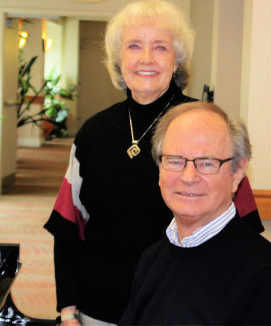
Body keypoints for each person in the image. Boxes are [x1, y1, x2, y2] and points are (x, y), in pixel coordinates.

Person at [44, 1, 264, 325]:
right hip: (98, 310)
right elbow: (67, 228)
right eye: (134, 46)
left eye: (160, 47)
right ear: (119, 59)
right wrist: (67, 310)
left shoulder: (208, 128)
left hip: (186, 309)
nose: (146, 58)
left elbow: (244, 233)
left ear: (178, 60)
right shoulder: (92, 133)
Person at [120, 101, 271, 325]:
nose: (189, 177)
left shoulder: (263, 274)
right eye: (175, 161)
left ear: (238, 172)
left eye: (207, 163)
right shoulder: (151, 259)